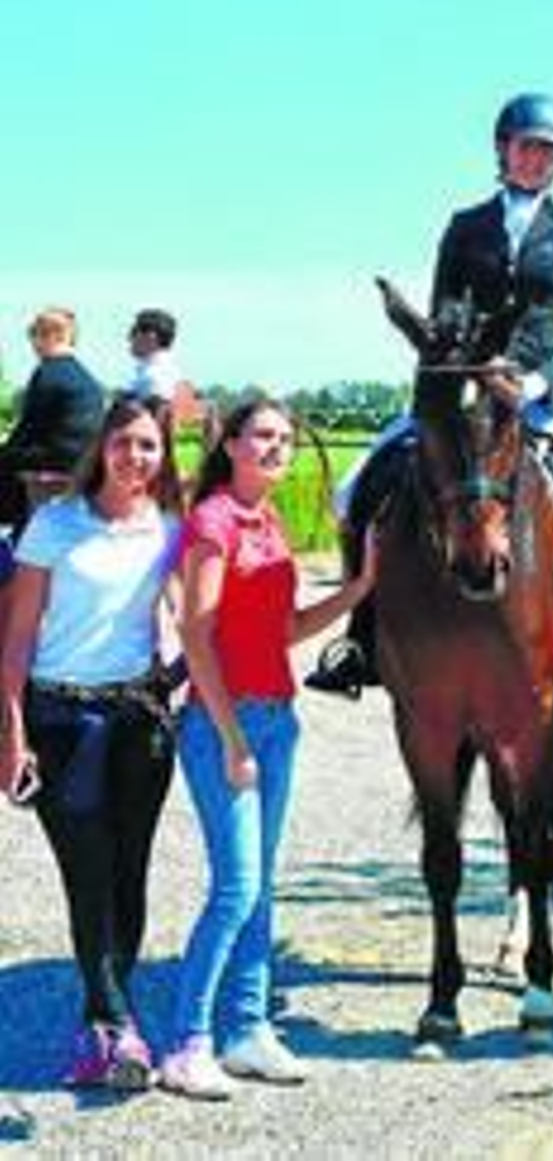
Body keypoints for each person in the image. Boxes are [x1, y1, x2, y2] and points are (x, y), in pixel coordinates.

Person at [306, 90, 553, 697]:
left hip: (538, 395)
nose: (537, 160)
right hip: (458, 385)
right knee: (354, 489)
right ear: (504, 149)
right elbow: (444, 307)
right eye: (528, 147)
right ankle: (361, 635)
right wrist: (467, 363)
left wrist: (533, 380)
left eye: (549, 152)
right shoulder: (465, 226)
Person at [161, 398, 376, 1101]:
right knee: (236, 886)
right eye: (263, 435)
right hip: (228, 724)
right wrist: (229, 738)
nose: (277, 447)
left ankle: (248, 1028)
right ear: (229, 444)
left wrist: (358, 590)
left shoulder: (270, 521)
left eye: (285, 437)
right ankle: (188, 1041)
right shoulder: (213, 521)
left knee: (261, 884)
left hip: (279, 718)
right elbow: (196, 635)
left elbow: (282, 629)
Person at [0, 396, 183, 1091]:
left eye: (149, 446)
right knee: (87, 872)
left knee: (129, 873)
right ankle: (117, 1024)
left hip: (138, 720)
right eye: (125, 443)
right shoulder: (53, 525)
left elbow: (182, 614)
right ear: (102, 447)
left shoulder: (167, 529)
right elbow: (16, 639)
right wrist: (12, 733)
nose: (135, 458)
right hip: (59, 722)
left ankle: (104, 1024)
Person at [0, 308, 106, 529]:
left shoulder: (48, 372)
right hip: (83, 460)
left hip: (55, 459)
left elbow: (28, 429)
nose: (32, 343)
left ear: (53, 335)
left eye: (34, 333)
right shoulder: (85, 376)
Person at [124, 308, 207, 432]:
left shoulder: (151, 379)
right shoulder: (177, 378)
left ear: (150, 337)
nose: (128, 338)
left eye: (133, 332)